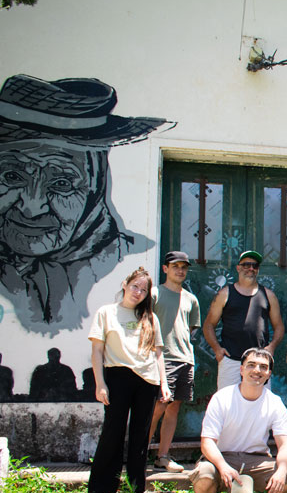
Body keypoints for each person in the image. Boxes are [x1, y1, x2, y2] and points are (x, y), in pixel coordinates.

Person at [0, 74, 169, 334]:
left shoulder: (123, 257)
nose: (32, 207)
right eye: (13, 177)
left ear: (96, 184)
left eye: (61, 184)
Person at [189, 347, 287, 493]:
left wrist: (281, 470)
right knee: (203, 474)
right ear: (241, 370)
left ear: (268, 374)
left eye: (263, 367)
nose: (257, 370)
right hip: (222, 457)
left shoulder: (275, 403)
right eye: (251, 365)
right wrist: (222, 466)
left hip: (257, 460)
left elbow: (285, 444)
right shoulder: (222, 398)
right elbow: (207, 442)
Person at [86, 267, 172, 493]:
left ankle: (137, 487)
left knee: (141, 435)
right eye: (135, 286)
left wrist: (163, 384)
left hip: (147, 380)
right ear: (125, 284)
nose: (138, 293)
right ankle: (100, 490)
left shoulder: (150, 318)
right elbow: (97, 351)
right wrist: (100, 383)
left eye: (144, 290)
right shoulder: (107, 312)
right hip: (118, 376)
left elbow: (158, 354)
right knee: (112, 432)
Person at [149, 251, 201, 473]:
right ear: (165, 268)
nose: (180, 270)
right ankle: (139, 450)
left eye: (184, 267)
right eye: (175, 266)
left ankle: (163, 455)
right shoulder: (154, 294)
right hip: (161, 359)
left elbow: (188, 329)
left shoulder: (191, 299)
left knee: (174, 408)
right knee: (158, 406)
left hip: (185, 359)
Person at [203, 251, 285, 390]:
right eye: (246, 265)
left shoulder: (268, 295)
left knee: (259, 406)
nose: (251, 269)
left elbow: (279, 326)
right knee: (227, 405)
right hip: (231, 361)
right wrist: (217, 350)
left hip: (259, 363)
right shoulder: (225, 294)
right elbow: (208, 325)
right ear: (238, 267)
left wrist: (271, 347)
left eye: (255, 266)